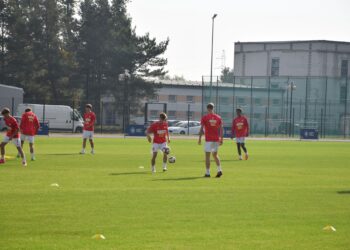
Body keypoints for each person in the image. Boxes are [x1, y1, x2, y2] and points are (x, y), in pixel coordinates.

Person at [198, 103, 223, 178]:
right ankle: (219, 170)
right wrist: (221, 139)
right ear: (213, 108)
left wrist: (199, 139)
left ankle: (207, 173)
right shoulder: (218, 117)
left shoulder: (205, 117)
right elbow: (221, 129)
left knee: (207, 156)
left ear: (207, 108)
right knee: (215, 155)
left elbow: (201, 129)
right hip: (216, 139)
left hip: (208, 139)